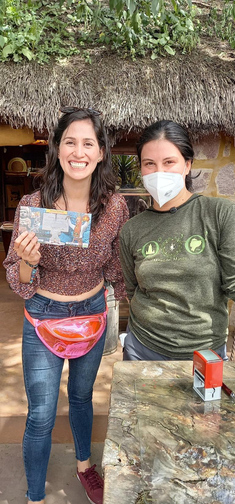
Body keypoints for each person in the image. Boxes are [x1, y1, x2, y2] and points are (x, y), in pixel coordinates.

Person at [3, 107, 129, 504]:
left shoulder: (115, 208)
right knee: (40, 414)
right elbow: (17, 280)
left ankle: (84, 466)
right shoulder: (31, 206)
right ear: (57, 150)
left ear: (101, 152)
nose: (78, 151)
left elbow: (115, 269)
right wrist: (27, 260)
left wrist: (135, 307)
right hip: (43, 318)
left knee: (81, 397)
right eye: (69, 142)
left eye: (87, 143)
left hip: (92, 313)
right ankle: (35, 495)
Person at [119, 120, 235, 361]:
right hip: (142, 348)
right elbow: (132, 290)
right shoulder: (131, 230)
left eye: (168, 162)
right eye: (149, 164)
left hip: (205, 353)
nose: (158, 172)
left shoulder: (219, 213)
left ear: (187, 165)